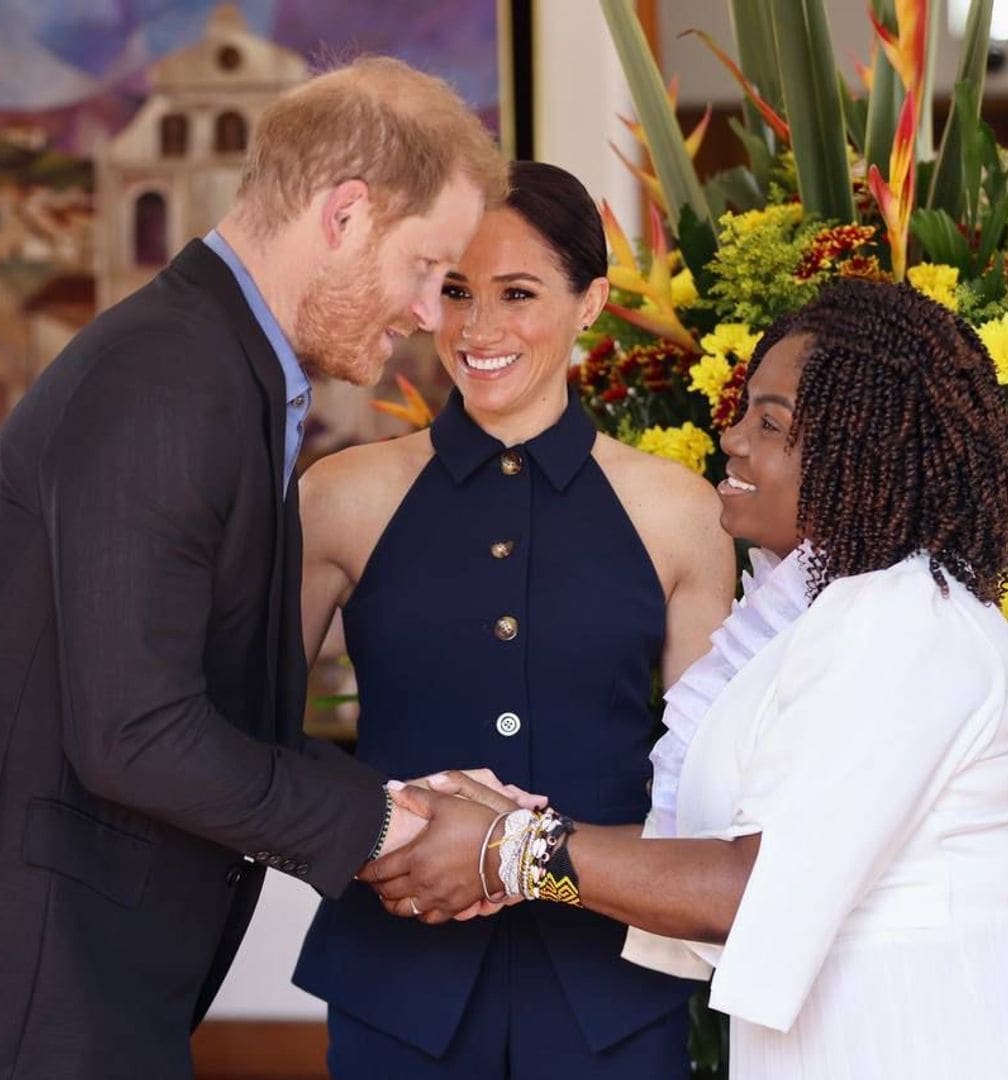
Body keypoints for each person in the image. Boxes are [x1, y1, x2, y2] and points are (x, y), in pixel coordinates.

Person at [0, 57, 508, 1079]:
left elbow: (182, 710)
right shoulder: (169, 378)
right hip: (35, 993)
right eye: (426, 267)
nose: (430, 314)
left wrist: (393, 802)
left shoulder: (217, 368)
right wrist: (382, 822)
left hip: (75, 976)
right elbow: (137, 734)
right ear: (345, 216)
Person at [365, 277, 1008, 1079]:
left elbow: (750, 886)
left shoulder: (907, 620)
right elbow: (714, 855)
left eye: (770, 423)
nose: (732, 439)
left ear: (862, 449)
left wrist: (509, 850)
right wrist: (502, 829)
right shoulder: (835, 614)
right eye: (743, 411)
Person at [292, 161, 735, 1077]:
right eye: (455, 290)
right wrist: (380, 833)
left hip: (611, 995)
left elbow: (707, 792)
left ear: (592, 302)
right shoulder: (340, 497)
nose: (478, 328)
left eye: (517, 293)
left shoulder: (681, 511)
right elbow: (243, 732)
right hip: (394, 981)